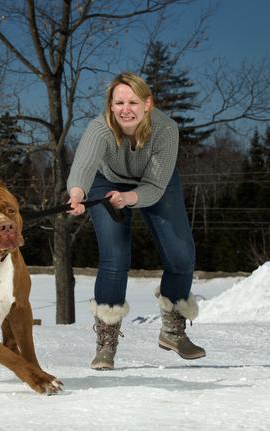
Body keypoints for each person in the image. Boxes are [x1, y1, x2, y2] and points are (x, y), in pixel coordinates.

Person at [67, 72, 205, 370]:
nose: (125, 109)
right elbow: (85, 164)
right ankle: (106, 340)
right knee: (115, 256)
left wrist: (128, 198)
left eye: (132, 102)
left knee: (181, 254)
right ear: (110, 105)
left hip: (156, 181)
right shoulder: (100, 128)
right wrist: (77, 194)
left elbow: (154, 187)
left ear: (147, 104)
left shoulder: (166, 129)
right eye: (118, 102)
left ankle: (172, 329)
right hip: (106, 180)